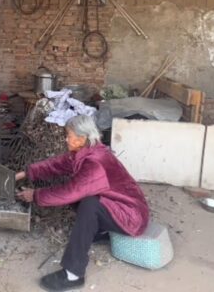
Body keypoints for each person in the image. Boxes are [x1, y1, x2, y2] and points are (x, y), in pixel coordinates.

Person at [15, 115, 149, 292]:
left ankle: (73, 274)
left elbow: (68, 193)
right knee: (85, 198)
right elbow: (59, 164)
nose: (66, 139)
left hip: (131, 216)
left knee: (89, 205)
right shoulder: (88, 151)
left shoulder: (94, 163)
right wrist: (26, 173)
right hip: (118, 206)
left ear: (81, 139)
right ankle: (99, 232)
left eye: (68, 135)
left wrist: (35, 195)